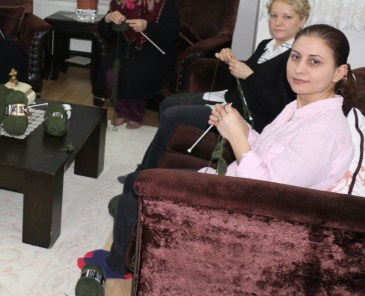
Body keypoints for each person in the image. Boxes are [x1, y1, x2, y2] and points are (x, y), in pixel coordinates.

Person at [80, 24, 356, 279]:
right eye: (295, 57)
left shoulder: (323, 131)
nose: (299, 69)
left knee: (133, 200)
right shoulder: (300, 106)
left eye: (314, 62)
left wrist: (237, 138)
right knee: (139, 182)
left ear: (339, 72)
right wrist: (242, 129)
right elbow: (268, 149)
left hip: (246, 214)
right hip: (236, 185)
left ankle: (117, 267)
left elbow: (270, 196)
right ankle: (133, 227)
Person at [137, 0, 311, 171]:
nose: (278, 22)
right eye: (274, 15)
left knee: (172, 115)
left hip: (248, 115)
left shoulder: (296, 57)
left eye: (287, 17)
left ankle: (145, 173)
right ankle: (150, 166)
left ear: (302, 20)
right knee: (168, 103)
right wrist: (231, 62)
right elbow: (241, 81)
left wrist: (248, 75)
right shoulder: (266, 45)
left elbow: (278, 106)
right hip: (231, 98)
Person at [96, 0, 180, 129]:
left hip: (155, 53)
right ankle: (122, 110)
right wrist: (108, 18)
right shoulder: (120, 0)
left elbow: (172, 33)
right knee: (110, 72)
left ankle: (136, 113)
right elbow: (104, 31)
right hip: (126, 50)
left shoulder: (165, 1)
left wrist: (147, 26)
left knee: (135, 72)